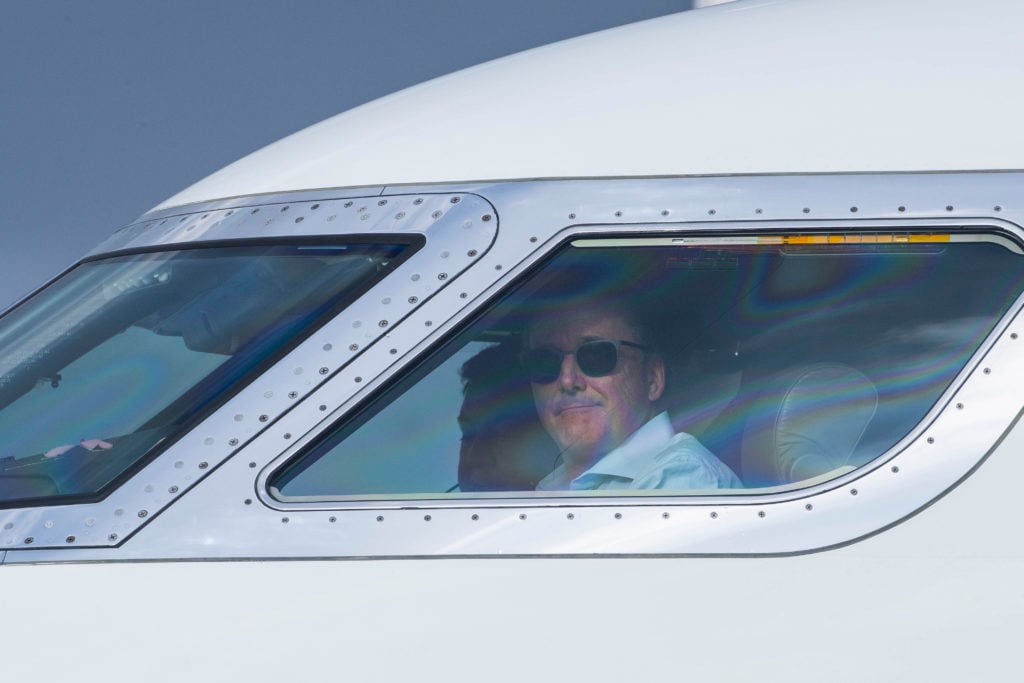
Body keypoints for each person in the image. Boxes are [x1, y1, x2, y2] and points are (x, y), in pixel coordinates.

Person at [521, 303, 741, 491]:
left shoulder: (681, 478)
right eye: (543, 362)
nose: (567, 380)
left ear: (652, 378)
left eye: (596, 356)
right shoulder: (554, 483)